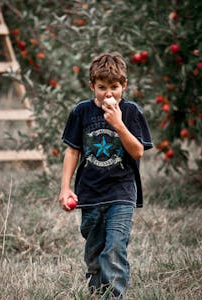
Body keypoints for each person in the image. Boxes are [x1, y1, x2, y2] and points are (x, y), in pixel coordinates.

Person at [59, 52, 153, 299]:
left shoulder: (131, 112)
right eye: (101, 87)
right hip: (89, 194)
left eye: (114, 87)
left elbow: (138, 152)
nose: (108, 94)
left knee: (113, 250)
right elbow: (72, 151)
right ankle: (97, 292)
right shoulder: (81, 112)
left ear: (124, 86)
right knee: (94, 255)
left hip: (121, 193)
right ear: (92, 86)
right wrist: (65, 188)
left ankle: (114, 296)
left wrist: (119, 124)